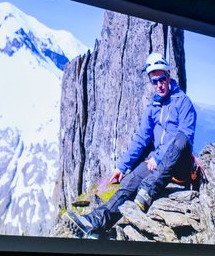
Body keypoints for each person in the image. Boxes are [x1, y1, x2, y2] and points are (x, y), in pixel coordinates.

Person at [64, 52, 197, 238]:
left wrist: (158, 157)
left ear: (169, 76)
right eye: (154, 80)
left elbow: (185, 137)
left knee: (181, 139)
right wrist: (122, 166)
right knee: (129, 182)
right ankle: (95, 224)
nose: (159, 84)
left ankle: (147, 191)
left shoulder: (183, 102)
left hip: (179, 165)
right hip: (157, 164)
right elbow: (141, 138)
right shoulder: (153, 107)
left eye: (162, 79)